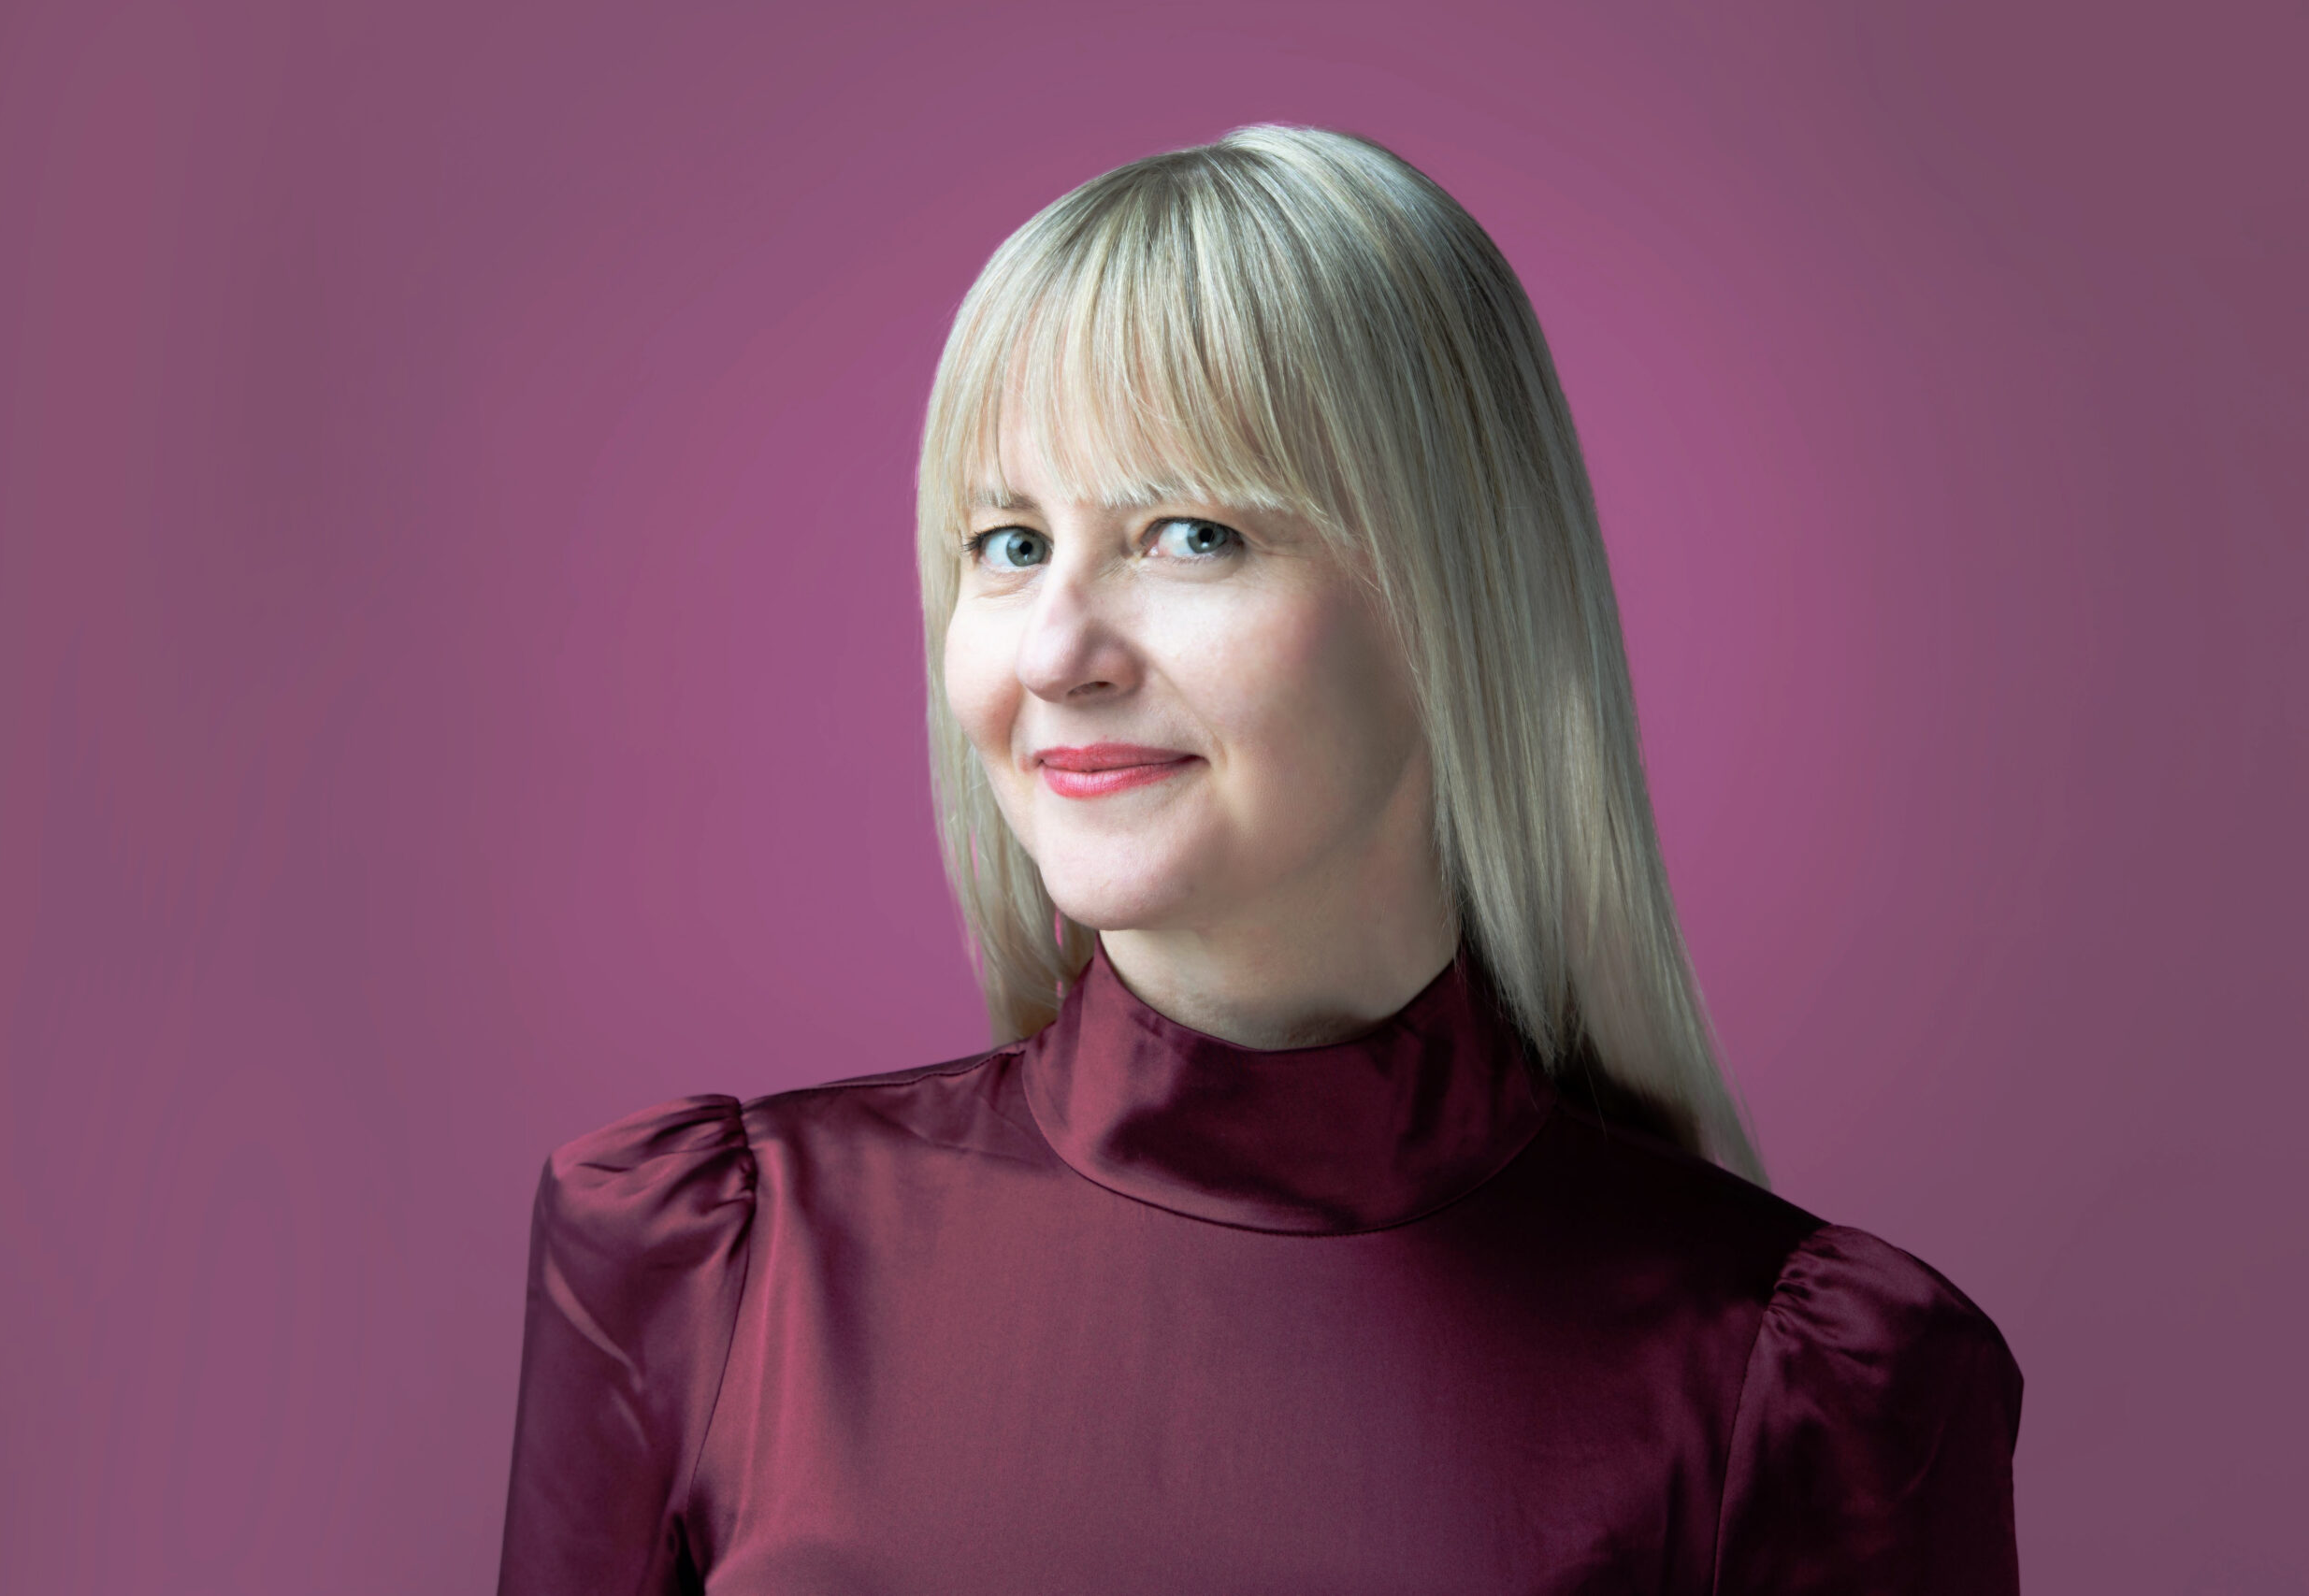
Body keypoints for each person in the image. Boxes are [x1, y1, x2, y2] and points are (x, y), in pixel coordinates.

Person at [496, 124, 2022, 1594]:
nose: (1060, 651)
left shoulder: (1802, 1389)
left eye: (1191, 534)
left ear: (1455, 597)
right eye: (1010, 542)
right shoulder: (714, 1276)